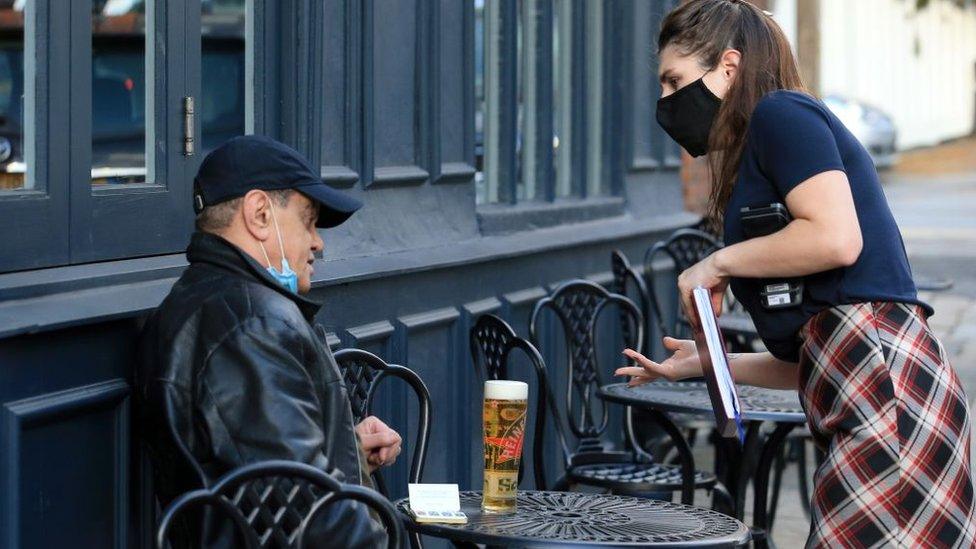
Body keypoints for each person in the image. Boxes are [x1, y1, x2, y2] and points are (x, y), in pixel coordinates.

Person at [616, 1, 975, 547]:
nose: (665, 102)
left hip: (887, 393)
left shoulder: (781, 113)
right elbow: (810, 358)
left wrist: (718, 262)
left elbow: (835, 236)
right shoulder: (762, 146)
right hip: (867, 390)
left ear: (728, 68)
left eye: (674, 80)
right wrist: (707, 364)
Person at [137, 135, 401, 548]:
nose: (318, 242)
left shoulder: (212, 301)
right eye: (308, 220)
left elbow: (257, 469)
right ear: (260, 214)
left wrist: (346, 446)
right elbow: (312, 517)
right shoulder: (253, 324)